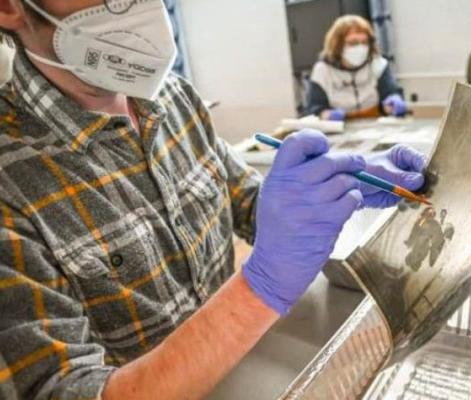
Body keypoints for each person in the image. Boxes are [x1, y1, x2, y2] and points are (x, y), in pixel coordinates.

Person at [0, 1, 427, 399]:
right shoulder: (11, 179)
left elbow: (244, 201)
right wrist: (260, 288)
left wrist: (332, 183)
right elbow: (66, 389)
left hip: (245, 372)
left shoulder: (174, 97)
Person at [306, 15, 407, 121]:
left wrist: (393, 101)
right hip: (340, 127)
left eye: (364, 42)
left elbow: (389, 94)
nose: (360, 48)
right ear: (337, 44)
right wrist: (326, 115)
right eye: (353, 43)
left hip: (375, 124)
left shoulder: (378, 64)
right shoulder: (322, 70)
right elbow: (315, 109)